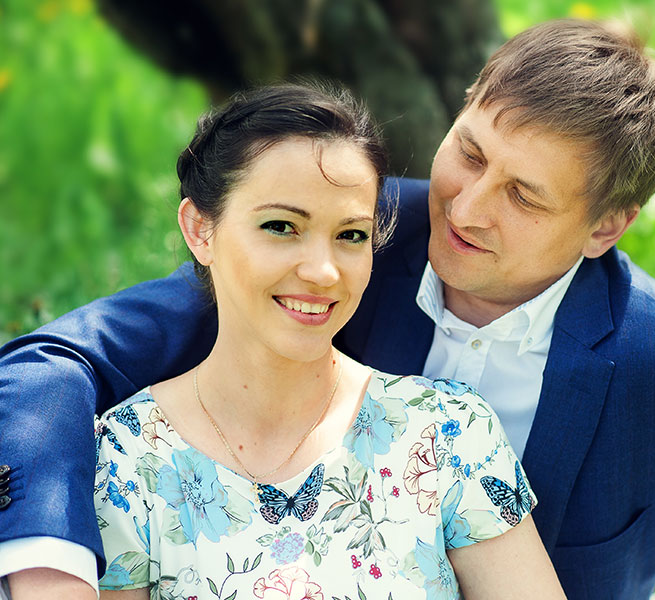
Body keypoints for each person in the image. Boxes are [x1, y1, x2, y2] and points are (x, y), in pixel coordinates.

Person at [1, 17, 655, 600]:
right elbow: (57, 362)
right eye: (472, 152)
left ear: (606, 227)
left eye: (523, 195)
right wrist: (46, 560)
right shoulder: (346, 236)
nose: (468, 207)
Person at [21, 83, 567, 599]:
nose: (324, 271)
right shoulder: (127, 462)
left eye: (350, 235)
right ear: (199, 230)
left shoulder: (449, 434)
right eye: (282, 226)